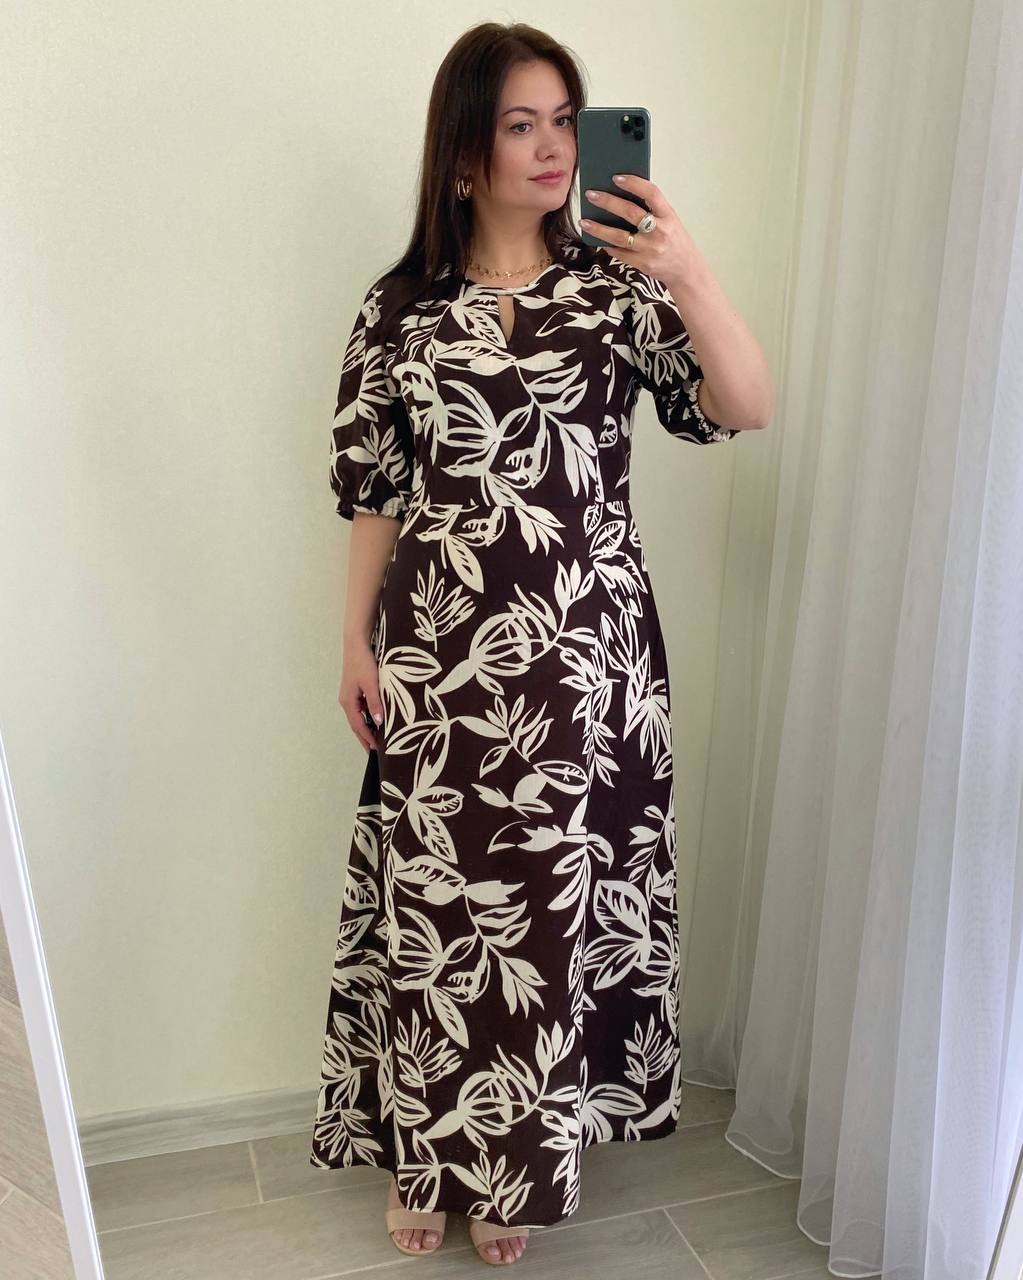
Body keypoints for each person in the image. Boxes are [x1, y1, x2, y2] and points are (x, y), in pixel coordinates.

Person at [309, 20, 768, 1269]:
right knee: (438, 902)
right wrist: (352, 643)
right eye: (523, 124)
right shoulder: (399, 309)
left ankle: (514, 1163)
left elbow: (745, 404)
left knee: (546, 914)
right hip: (441, 650)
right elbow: (374, 491)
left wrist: (688, 270)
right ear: (465, 150)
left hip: (587, 656)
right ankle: (425, 1153)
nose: (556, 146)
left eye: (567, 119)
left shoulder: (619, 289)